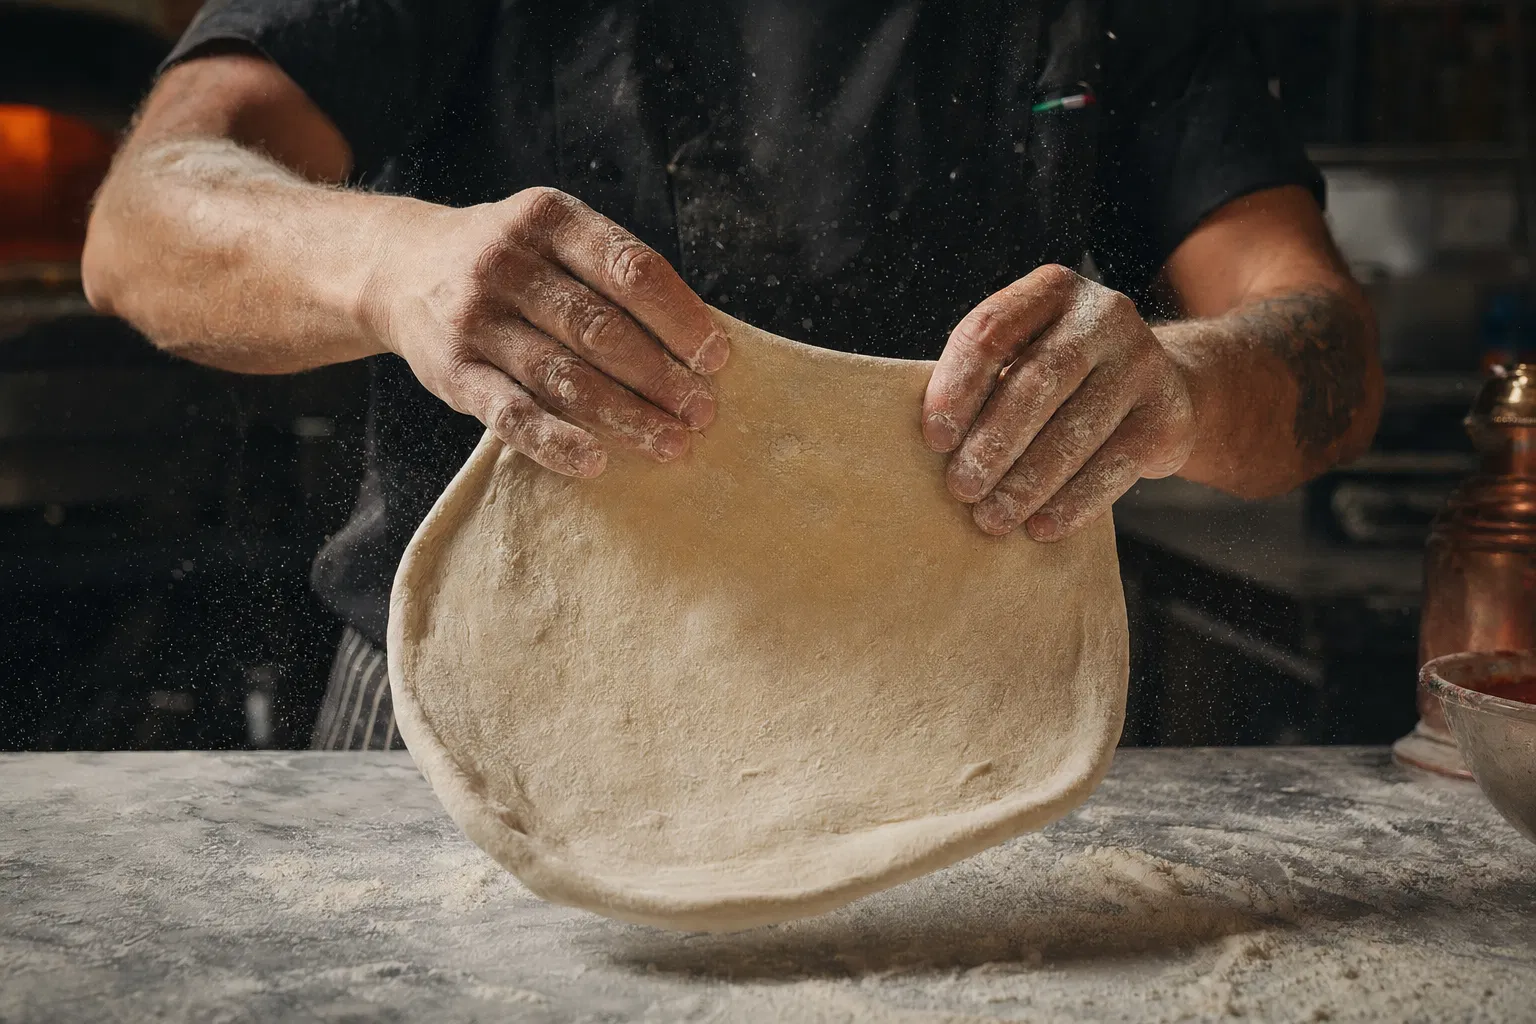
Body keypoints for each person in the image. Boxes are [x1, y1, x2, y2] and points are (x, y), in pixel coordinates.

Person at [82, 1, 1384, 751]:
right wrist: (390, 262)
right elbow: (143, 221)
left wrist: (1184, 382)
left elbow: (1323, 343)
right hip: (480, 718)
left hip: (951, 740)